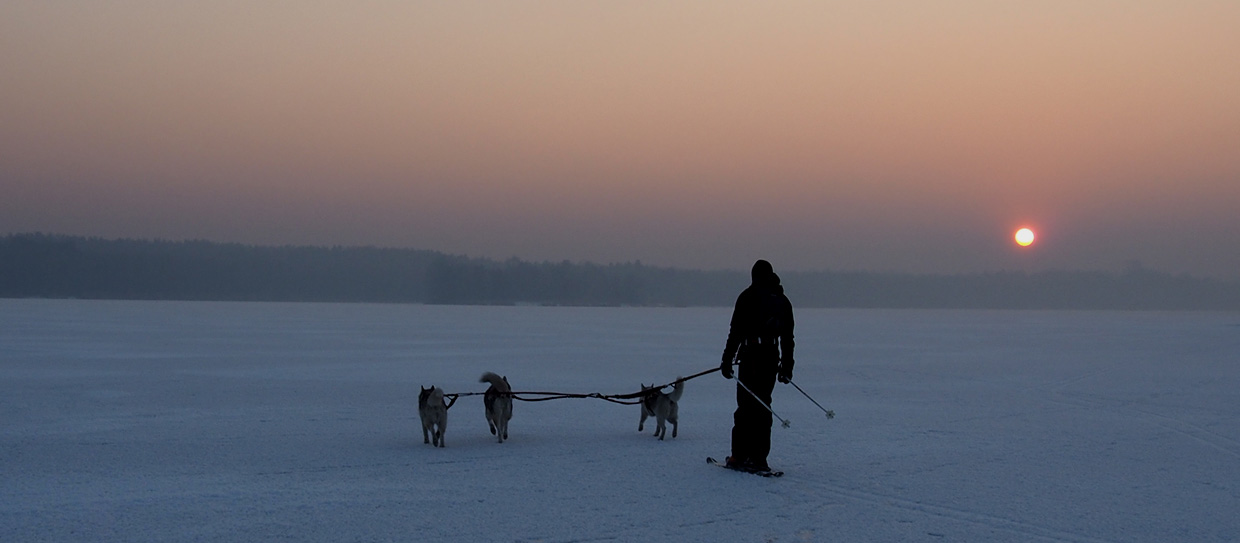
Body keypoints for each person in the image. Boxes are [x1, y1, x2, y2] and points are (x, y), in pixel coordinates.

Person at [720, 259, 795, 472]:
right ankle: (759, 458)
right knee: (763, 405)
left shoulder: (747, 296)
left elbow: (735, 332)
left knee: (745, 406)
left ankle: (739, 456)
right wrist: (787, 367)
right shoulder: (782, 300)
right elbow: (788, 338)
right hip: (770, 357)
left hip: (751, 356)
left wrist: (727, 360)